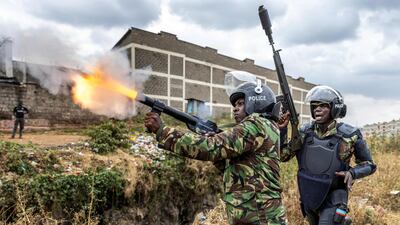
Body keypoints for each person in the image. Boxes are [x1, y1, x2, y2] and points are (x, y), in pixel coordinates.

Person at [144, 82, 288, 225]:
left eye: (240, 103)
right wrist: (218, 155)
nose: (235, 109)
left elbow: (210, 147)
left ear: (256, 102)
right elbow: (235, 170)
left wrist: (163, 131)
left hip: (261, 218)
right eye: (235, 105)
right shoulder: (264, 127)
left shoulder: (255, 125)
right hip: (259, 216)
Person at [278, 85, 376, 225]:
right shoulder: (305, 132)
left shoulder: (350, 135)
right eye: (315, 106)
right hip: (309, 195)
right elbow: (283, 156)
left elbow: (370, 165)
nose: (317, 109)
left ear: (335, 108)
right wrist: (282, 130)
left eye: (323, 106)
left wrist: (353, 173)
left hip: (334, 196)